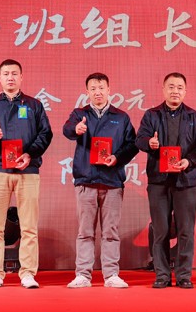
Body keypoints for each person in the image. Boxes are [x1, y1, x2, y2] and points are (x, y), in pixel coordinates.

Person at [0, 59, 53, 289]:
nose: (10, 77)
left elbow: (45, 134)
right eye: (6, 74)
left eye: (14, 73)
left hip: (27, 170)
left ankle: (27, 273)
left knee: (29, 226)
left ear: (21, 77)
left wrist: (30, 154)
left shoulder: (34, 105)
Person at [62, 73, 139, 289]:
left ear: (109, 90)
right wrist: (76, 130)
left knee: (110, 232)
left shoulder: (121, 117)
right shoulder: (80, 114)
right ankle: (83, 275)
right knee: (85, 231)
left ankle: (111, 274)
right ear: (87, 92)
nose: (98, 92)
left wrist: (117, 158)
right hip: (86, 180)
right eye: (93, 88)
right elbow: (66, 130)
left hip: (112, 181)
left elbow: (132, 144)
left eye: (101, 88)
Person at [136, 72, 196, 289]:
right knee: (160, 230)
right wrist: (149, 143)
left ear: (185, 91)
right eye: (171, 87)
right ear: (163, 89)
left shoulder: (194, 117)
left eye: (179, 87)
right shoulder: (151, 115)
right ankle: (162, 275)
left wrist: (189, 161)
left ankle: (184, 275)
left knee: (186, 230)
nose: (175, 91)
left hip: (186, 181)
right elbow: (139, 139)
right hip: (159, 181)